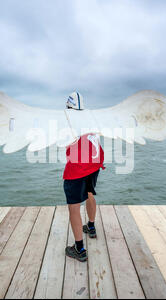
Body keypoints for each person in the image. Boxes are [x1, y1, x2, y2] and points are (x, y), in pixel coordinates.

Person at [63, 92, 105, 262]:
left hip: (77, 169)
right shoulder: (91, 120)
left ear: (68, 107)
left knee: (74, 207)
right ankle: (92, 228)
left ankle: (79, 249)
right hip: (94, 165)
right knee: (89, 193)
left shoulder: (66, 121)